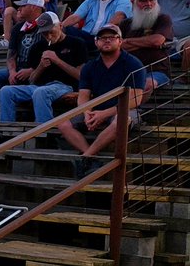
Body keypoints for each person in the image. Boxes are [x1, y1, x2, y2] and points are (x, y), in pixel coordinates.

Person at [56, 25, 147, 177]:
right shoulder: (90, 67)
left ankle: (86, 157)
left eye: (112, 37)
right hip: (96, 109)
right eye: (103, 38)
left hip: (124, 109)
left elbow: (136, 98)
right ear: (96, 42)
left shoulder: (133, 64)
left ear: (120, 41)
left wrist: (104, 114)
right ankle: (92, 160)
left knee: (121, 121)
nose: (107, 41)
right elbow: (84, 95)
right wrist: (86, 112)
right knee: (62, 123)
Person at [0, 12, 87, 124]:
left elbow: (81, 76)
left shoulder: (77, 43)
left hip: (65, 86)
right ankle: (6, 131)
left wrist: (57, 60)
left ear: (60, 26)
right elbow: (32, 80)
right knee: (5, 91)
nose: (49, 36)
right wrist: (41, 66)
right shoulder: (37, 47)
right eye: (44, 34)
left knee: (40, 92)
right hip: (40, 86)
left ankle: (43, 131)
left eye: (51, 32)